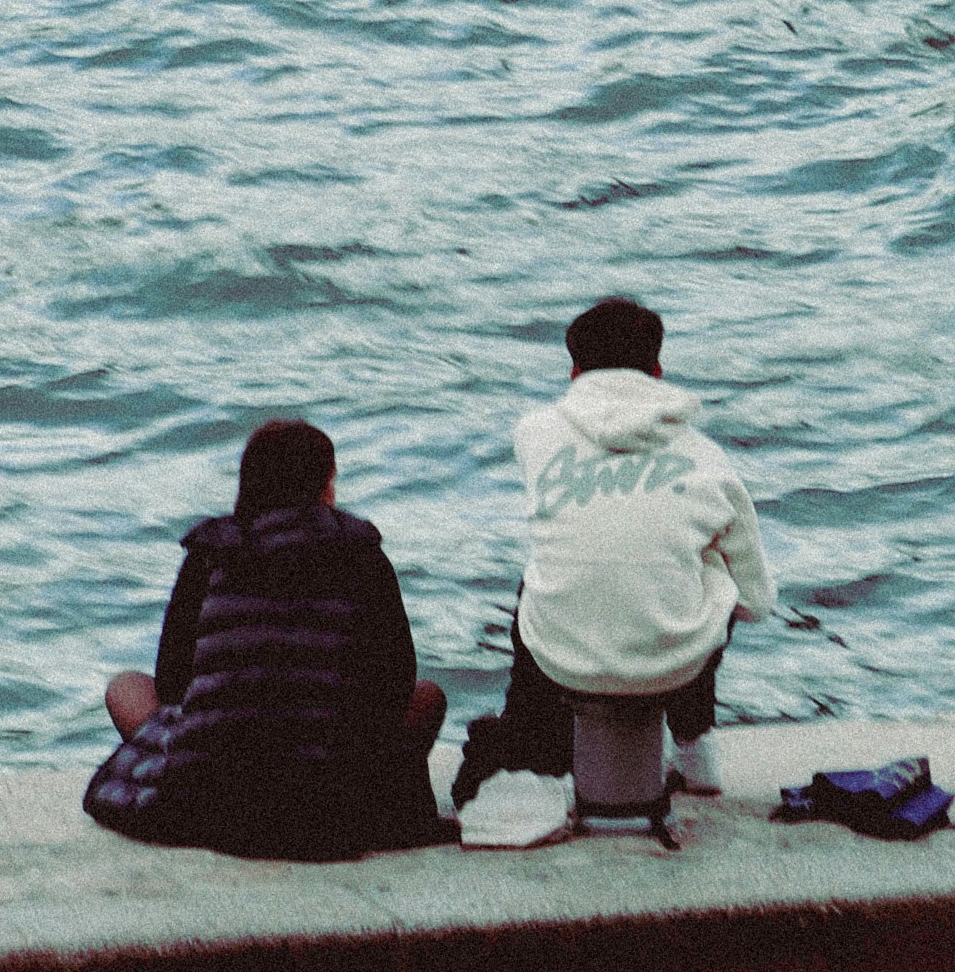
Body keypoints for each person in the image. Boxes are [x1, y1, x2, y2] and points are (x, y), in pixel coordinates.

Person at [451, 295, 776, 806]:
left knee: (551, 565)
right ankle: (695, 746)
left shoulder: (534, 433)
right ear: (657, 369)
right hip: (676, 663)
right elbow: (756, 600)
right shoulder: (706, 457)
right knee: (713, 566)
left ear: (574, 369)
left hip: (560, 661)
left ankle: (529, 727)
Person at [82, 421, 449, 862]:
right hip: (332, 798)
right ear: (326, 483)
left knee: (126, 687)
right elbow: (395, 684)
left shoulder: (211, 551)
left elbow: (174, 683)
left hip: (215, 798)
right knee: (429, 697)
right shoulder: (361, 552)